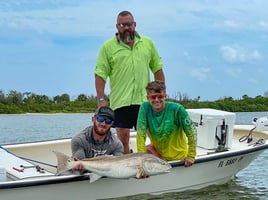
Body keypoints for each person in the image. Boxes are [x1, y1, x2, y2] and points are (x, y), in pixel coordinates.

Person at [94, 10, 165, 154]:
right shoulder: (108, 47)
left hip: (144, 100)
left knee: (154, 135)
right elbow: (100, 75)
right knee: (123, 138)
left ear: (135, 25)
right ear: (117, 26)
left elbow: (157, 69)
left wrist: (161, 93)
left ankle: (160, 163)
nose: (126, 28)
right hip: (121, 101)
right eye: (122, 25)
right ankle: (127, 168)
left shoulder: (147, 43)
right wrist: (101, 99)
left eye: (129, 24)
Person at [136, 81, 197, 167]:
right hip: (158, 156)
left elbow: (192, 132)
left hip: (178, 157)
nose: (156, 100)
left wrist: (191, 156)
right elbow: (141, 134)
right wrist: (141, 162)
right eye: (153, 97)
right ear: (148, 98)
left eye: (160, 96)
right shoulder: (144, 108)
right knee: (145, 151)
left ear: (165, 96)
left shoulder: (177, 109)